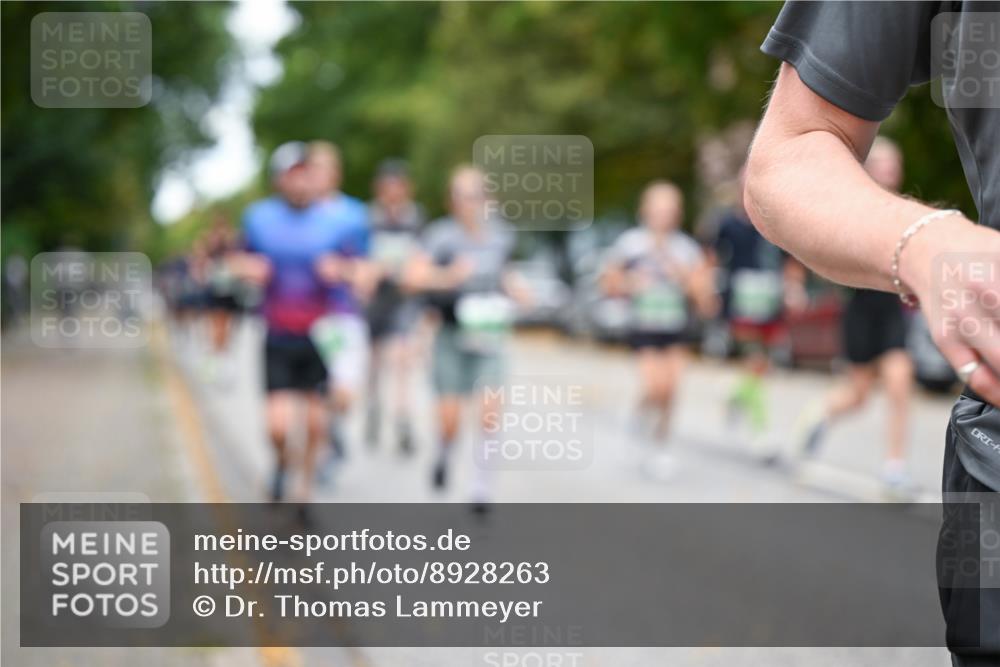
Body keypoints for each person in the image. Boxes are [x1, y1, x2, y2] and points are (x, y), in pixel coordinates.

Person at [745, 3, 1000, 664]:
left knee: (891, 379)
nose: (885, 176)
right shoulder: (892, 194)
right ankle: (817, 426)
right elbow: (790, 159)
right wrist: (919, 239)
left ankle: (888, 460)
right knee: (867, 384)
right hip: (881, 292)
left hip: (902, 302)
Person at [230, 141, 345, 512]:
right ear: (279, 180)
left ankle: (304, 492)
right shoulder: (258, 218)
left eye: (306, 174)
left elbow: (362, 271)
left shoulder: (336, 222)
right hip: (278, 333)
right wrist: (249, 269)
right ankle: (282, 462)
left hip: (320, 335)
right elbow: (235, 260)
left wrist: (340, 271)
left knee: (315, 426)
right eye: (292, 175)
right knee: (278, 427)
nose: (300, 183)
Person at [402, 165, 524, 512]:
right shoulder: (440, 236)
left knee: (489, 413)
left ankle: (481, 487)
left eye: (476, 195)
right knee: (450, 419)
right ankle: (443, 452)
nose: (469, 203)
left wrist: (517, 291)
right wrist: (449, 276)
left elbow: (505, 273)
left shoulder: (502, 235)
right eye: (461, 196)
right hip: (451, 333)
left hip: (489, 335)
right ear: (451, 201)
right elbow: (413, 277)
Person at [799, 138, 917, 491]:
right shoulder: (852, 208)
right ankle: (818, 417)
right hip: (861, 312)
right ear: (868, 168)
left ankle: (894, 467)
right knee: (859, 394)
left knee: (899, 382)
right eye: (882, 164)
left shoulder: (907, 210)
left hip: (892, 312)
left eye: (894, 165)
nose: (890, 171)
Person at [600, 181, 716, 480]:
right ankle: (636, 421)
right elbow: (609, 284)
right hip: (644, 325)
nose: (663, 216)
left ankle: (660, 446)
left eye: (669, 210)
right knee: (654, 387)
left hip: (676, 325)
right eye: (657, 210)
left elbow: (703, 297)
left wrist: (682, 274)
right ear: (645, 211)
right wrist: (631, 284)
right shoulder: (630, 244)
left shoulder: (686, 248)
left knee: (672, 389)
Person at [712, 167, 806, 454]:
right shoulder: (727, 223)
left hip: (769, 304)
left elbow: (791, 261)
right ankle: (760, 431)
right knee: (754, 361)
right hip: (739, 304)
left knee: (762, 366)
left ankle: (735, 393)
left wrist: (793, 289)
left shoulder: (776, 223)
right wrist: (708, 290)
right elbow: (711, 258)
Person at [304, 141, 372, 473]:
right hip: (304, 315)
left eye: (323, 169)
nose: (316, 176)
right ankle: (314, 452)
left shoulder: (354, 215)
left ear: (336, 173)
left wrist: (341, 270)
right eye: (311, 169)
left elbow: (366, 269)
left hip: (342, 314)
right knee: (308, 392)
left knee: (343, 393)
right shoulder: (295, 213)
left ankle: (334, 426)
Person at [363, 159, 426, 454]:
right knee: (375, 363)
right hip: (374, 300)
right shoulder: (368, 218)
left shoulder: (415, 218)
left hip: (403, 300)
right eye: (388, 187)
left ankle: (402, 420)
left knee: (402, 361)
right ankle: (374, 407)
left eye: (398, 187)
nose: (393, 193)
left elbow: (422, 255)